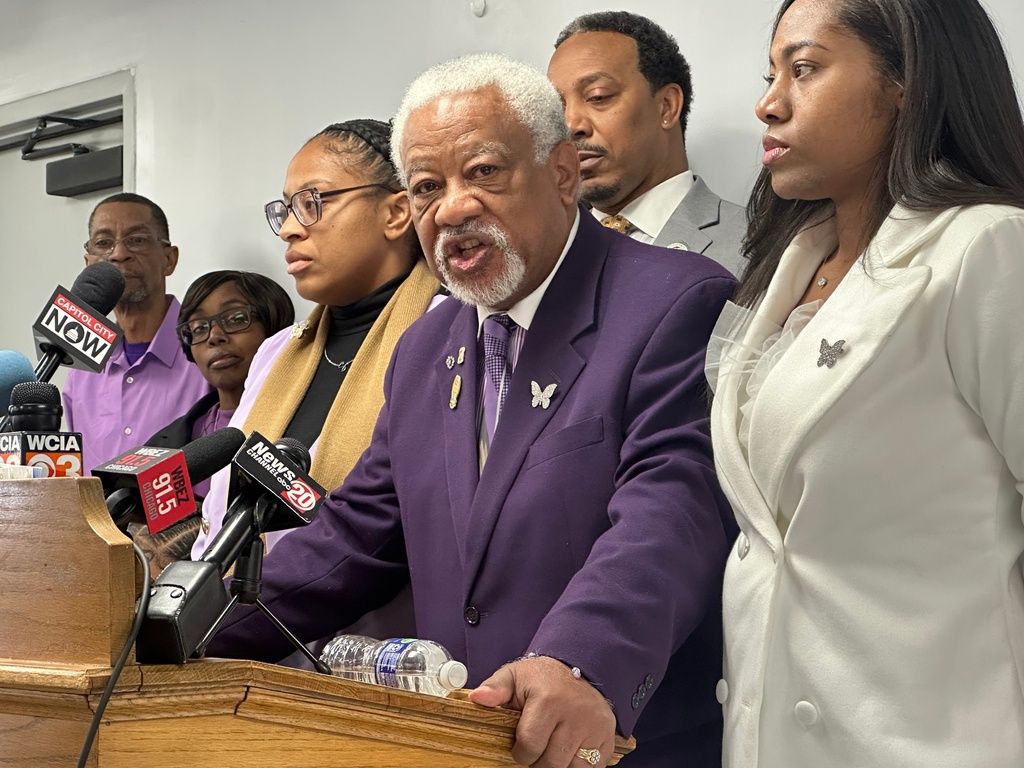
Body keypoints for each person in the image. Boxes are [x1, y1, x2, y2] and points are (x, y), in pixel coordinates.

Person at [207, 53, 736, 768]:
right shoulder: (425, 346)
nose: (451, 207)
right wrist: (187, 620)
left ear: (561, 173)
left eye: (483, 173)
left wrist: (579, 661)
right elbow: (353, 538)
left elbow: (672, 513)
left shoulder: (676, 300)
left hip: (610, 744)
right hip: (462, 743)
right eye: (427, 186)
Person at [706, 1, 1024, 766]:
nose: (768, 101)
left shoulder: (987, 247)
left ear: (906, 82)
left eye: (804, 69)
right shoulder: (789, 265)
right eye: (771, 72)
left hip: (931, 738)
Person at [189, 119, 440, 563]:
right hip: (234, 616)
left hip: (377, 628)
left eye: (311, 203)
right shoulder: (276, 351)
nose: (289, 228)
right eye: (285, 210)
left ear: (397, 213)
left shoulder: (446, 336)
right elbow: (219, 511)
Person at [548, 11, 746, 275]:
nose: (571, 125)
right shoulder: (540, 254)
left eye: (598, 96)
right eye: (555, 109)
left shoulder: (757, 246)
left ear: (666, 107)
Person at [64, 193, 211, 471]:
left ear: (169, 259)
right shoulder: (81, 366)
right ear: (88, 265)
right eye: (104, 243)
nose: (119, 254)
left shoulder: (209, 347)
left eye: (137, 240)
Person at [146, 270, 294, 497]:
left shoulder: (308, 423)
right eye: (199, 328)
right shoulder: (163, 445)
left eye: (235, 319)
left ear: (274, 330)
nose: (215, 336)